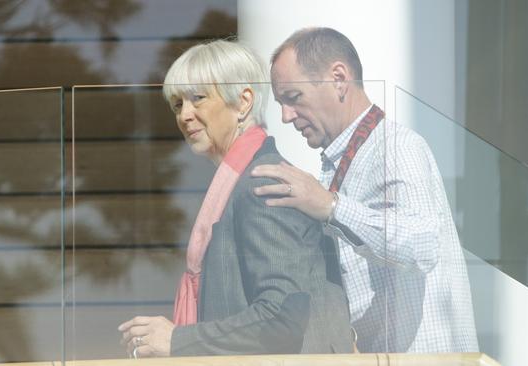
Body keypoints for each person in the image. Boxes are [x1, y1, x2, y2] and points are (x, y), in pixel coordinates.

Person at [117, 39, 353, 357]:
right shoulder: (239, 184)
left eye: (197, 98)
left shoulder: (264, 184)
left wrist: (177, 340)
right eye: (177, 104)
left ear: (243, 103)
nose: (185, 115)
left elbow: (281, 320)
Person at [251, 27, 479, 353]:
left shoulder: (395, 146)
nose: (286, 116)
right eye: (281, 104)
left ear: (339, 78)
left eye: (293, 98)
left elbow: (423, 245)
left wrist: (331, 206)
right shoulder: (345, 161)